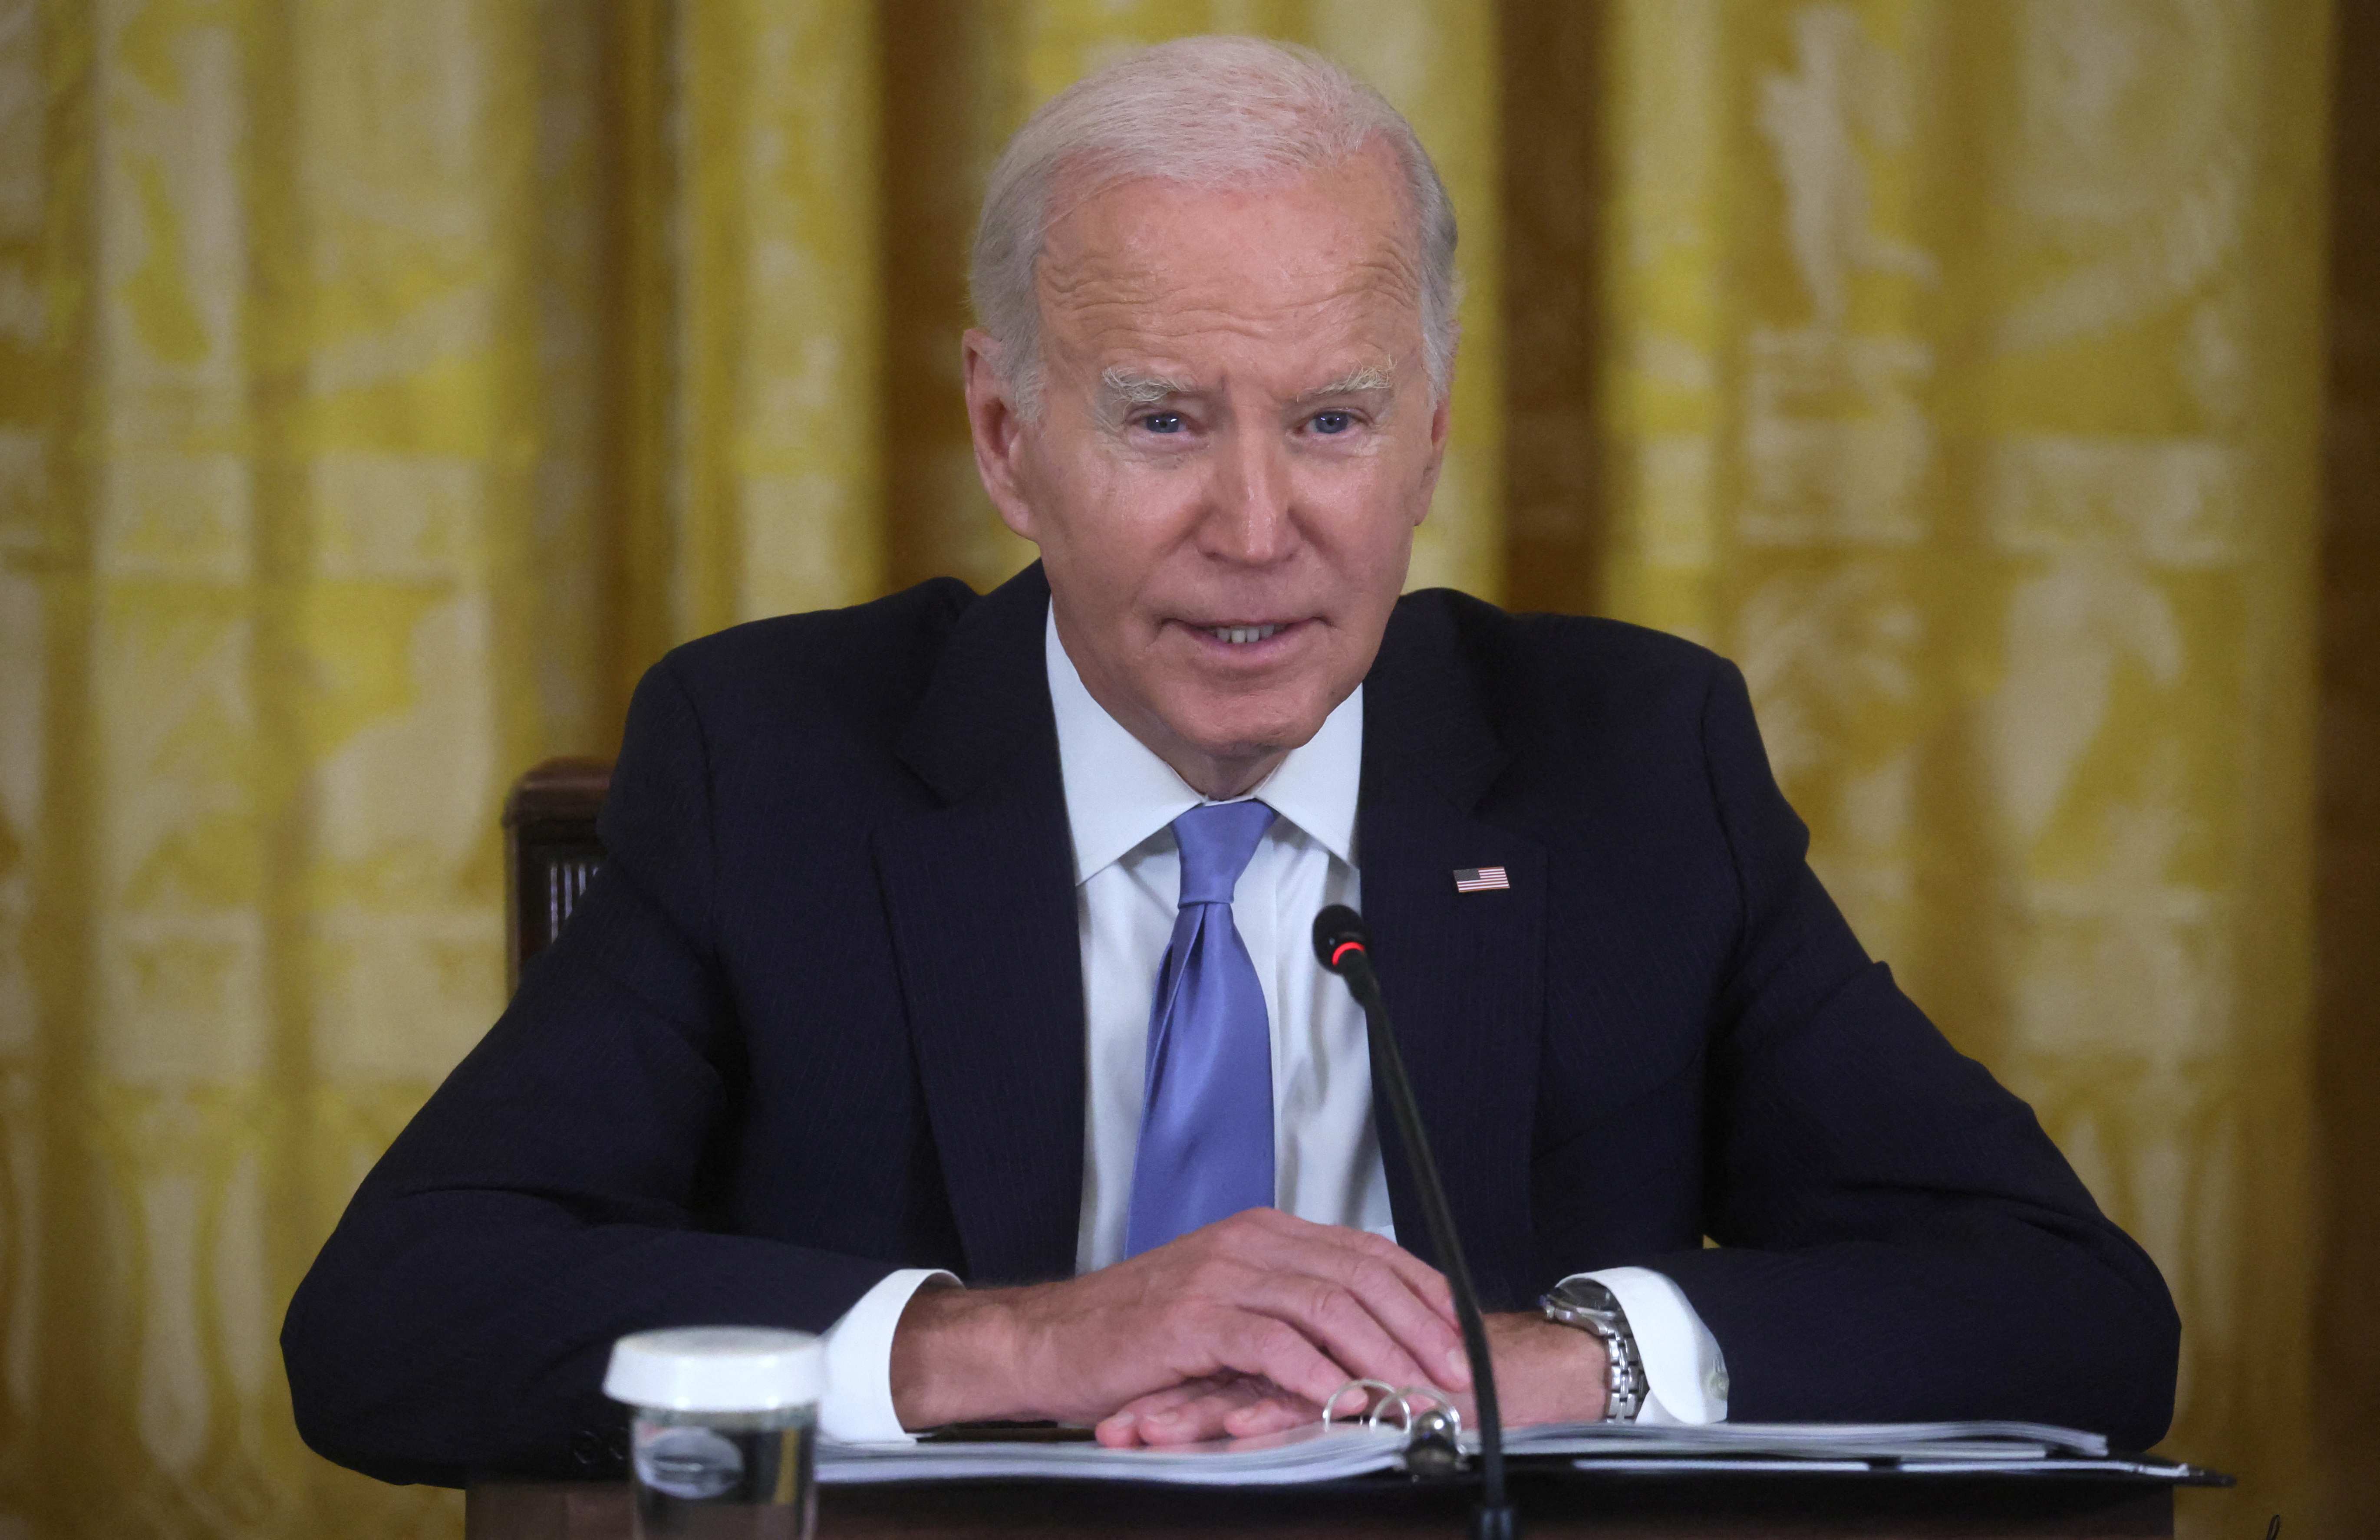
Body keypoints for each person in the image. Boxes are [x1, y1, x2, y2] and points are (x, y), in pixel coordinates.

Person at [282, 37, 2179, 1487]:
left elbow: (2077, 1311)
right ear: (1007, 432)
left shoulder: (1629, 765)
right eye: (1166, 419)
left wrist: (1551, 1358)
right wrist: (1011, 1344)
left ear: (1428, 440)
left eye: (1335, 420)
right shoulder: (776, 757)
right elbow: (395, 1320)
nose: (1258, 525)